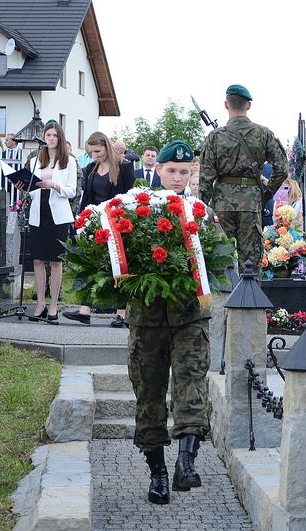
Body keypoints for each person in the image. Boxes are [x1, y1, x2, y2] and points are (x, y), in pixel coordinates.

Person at [129, 140, 210, 505]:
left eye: (184, 171)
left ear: (191, 172)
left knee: (191, 383)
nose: (177, 178)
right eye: (171, 171)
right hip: (147, 320)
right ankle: (158, 474)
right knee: (149, 393)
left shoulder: (202, 213)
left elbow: (219, 260)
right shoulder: (135, 211)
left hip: (189, 315)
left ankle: (186, 463)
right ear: (158, 170)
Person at [198, 84, 287, 274]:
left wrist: (200, 210)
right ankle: (251, 302)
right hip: (251, 201)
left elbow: (205, 178)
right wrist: (266, 194)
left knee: (220, 257)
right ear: (248, 105)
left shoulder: (215, 137)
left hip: (222, 203)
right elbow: (282, 169)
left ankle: (221, 301)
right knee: (251, 261)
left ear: (225, 104)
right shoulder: (263, 134)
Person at [63, 132, 135, 326]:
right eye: (91, 152)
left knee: (118, 267)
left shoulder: (125, 166)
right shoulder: (91, 168)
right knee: (91, 265)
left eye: (98, 151)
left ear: (107, 147)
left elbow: (130, 196)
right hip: (95, 222)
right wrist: (82, 219)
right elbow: (87, 197)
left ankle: (121, 313)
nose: (94, 155)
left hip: (118, 223)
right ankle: (85, 311)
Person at [18, 123, 77, 321]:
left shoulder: (68, 161)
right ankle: (40, 303)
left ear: (60, 138)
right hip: (38, 210)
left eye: (54, 135)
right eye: (48, 135)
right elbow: (31, 191)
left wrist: (54, 185)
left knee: (55, 260)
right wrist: (24, 186)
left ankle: (53, 305)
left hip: (58, 213)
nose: (50, 138)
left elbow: (72, 191)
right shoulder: (36, 159)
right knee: (37, 259)